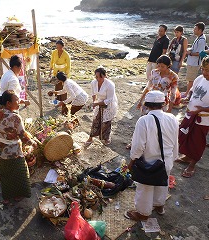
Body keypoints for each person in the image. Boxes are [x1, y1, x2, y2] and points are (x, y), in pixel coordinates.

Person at [125, 90, 179, 221]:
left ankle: (143, 213)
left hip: (150, 163)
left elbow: (138, 147)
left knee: (145, 188)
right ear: (164, 103)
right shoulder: (172, 118)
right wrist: (173, 157)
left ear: (146, 105)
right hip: (167, 160)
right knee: (162, 182)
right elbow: (175, 141)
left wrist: (131, 163)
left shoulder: (144, 120)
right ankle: (159, 206)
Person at [0, 90, 37, 204]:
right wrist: (33, 143)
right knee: (21, 173)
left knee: (4, 174)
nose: (19, 102)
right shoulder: (15, 117)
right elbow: (23, 135)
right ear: (8, 103)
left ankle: (7, 197)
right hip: (12, 152)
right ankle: (18, 195)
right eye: (16, 100)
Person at [177, 56, 209, 178]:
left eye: (208, 70)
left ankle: (192, 164)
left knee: (197, 141)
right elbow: (192, 91)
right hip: (190, 114)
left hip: (203, 119)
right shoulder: (200, 78)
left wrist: (201, 109)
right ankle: (186, 156)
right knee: (185, 135)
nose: (205, 72)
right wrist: (188, 98)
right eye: (203, 69)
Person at [85, 67, 118, 147]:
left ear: (104, 76)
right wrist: (94, 102)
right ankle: (91, 137)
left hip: (109, 103)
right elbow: (93, 94)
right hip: (99, 102)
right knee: (96, 120)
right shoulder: (94, 82)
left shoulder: (110, 84)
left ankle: (106, 138)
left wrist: (97, 103)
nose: (98, 79)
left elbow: (110, 99)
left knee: (106, 122)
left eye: (100, 77)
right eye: (96, 77)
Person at [183, 22, 206, 98]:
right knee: (190, 79)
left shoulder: (201, 40)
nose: (194, 30)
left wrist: (190, 53)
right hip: (192, 62)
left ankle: (187, 94)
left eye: (195, 29)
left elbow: (200, 53)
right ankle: (188, 93)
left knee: (191, 80)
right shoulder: (199, 38)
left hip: (194, 63)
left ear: (200, 30)